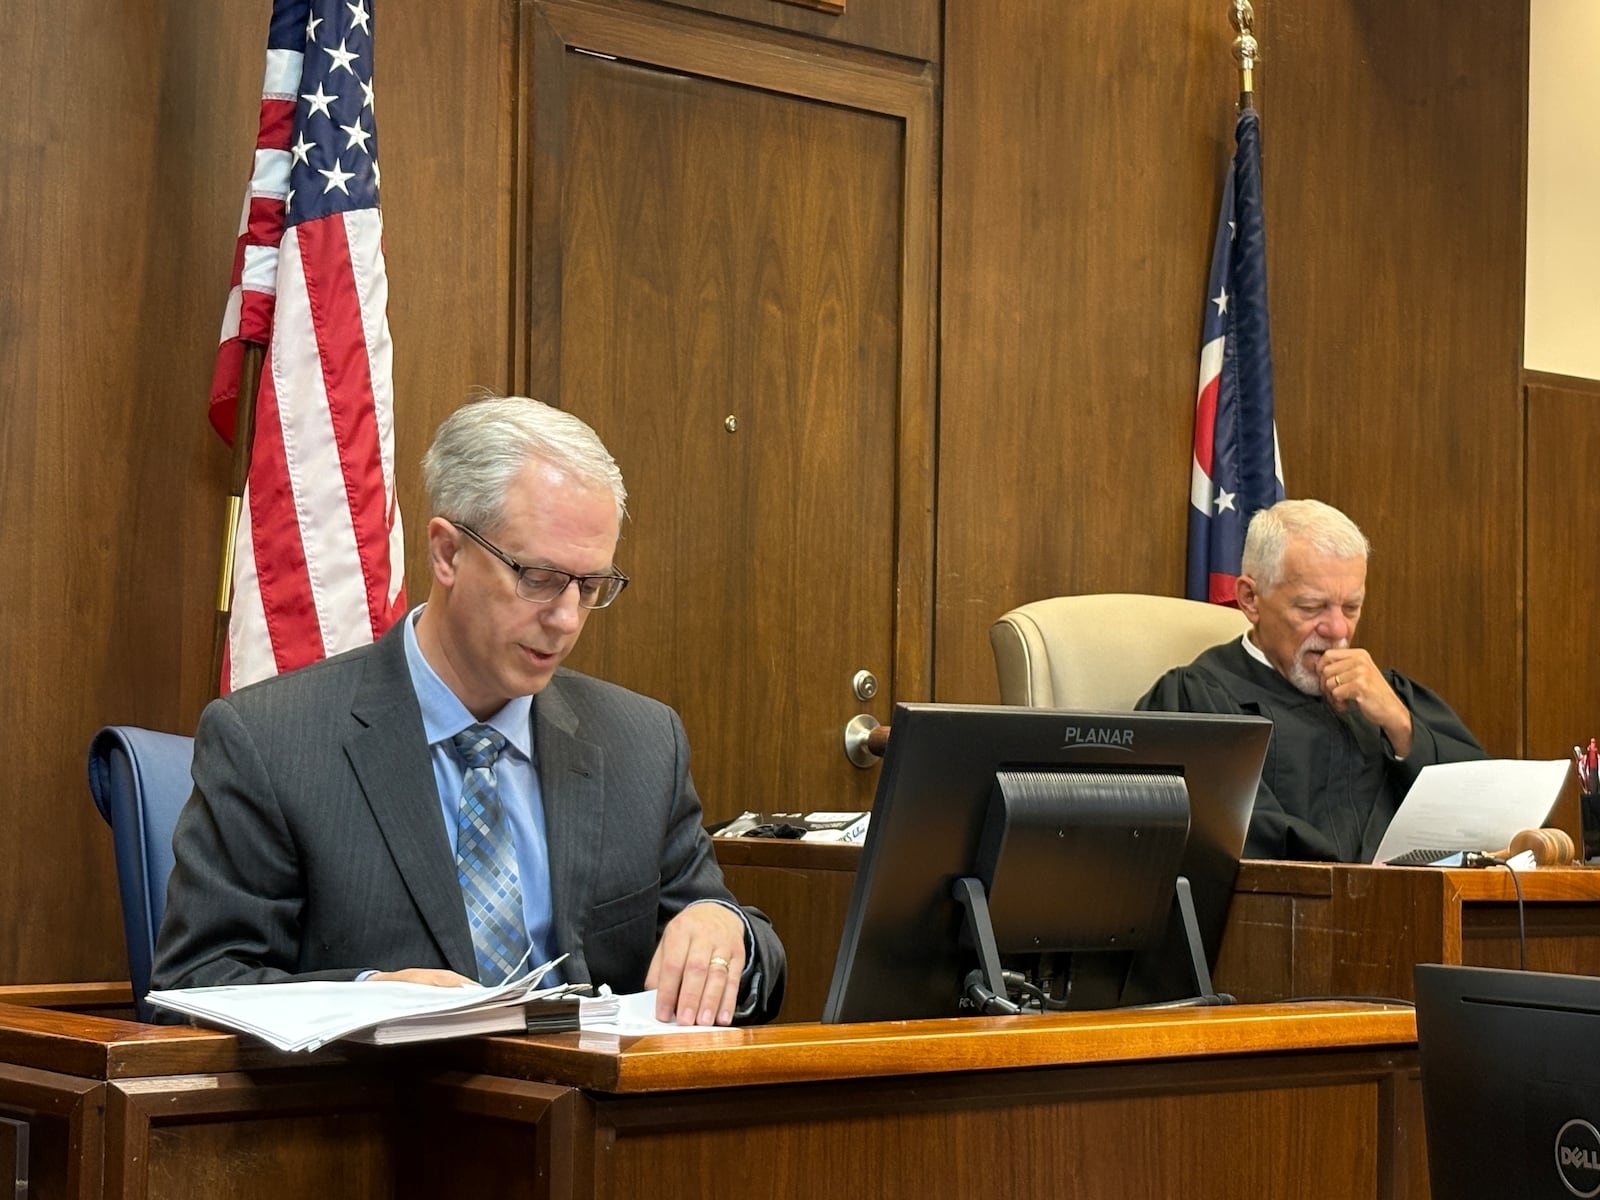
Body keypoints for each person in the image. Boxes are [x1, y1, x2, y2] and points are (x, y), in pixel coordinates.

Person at [152, 396, 785, 1026]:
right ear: (448, 553)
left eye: (591, 586)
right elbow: (198, 984)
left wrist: (725, 929)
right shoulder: (273, 743)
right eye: (538, 577)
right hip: (386, 1089)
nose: (567, 619)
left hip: (594, 1085)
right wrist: (369, 999)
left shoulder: (642, 743)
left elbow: (746, 953)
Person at [1137, 498, 1485, 862]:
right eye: (1311, 607)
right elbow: (1241, 841)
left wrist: (1401, 727)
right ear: (1250, 599)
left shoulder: (1386, 697)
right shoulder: (1198, 702)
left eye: (1351, 608)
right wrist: (1364, 883)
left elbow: (1486, 815)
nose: (1338, 630)